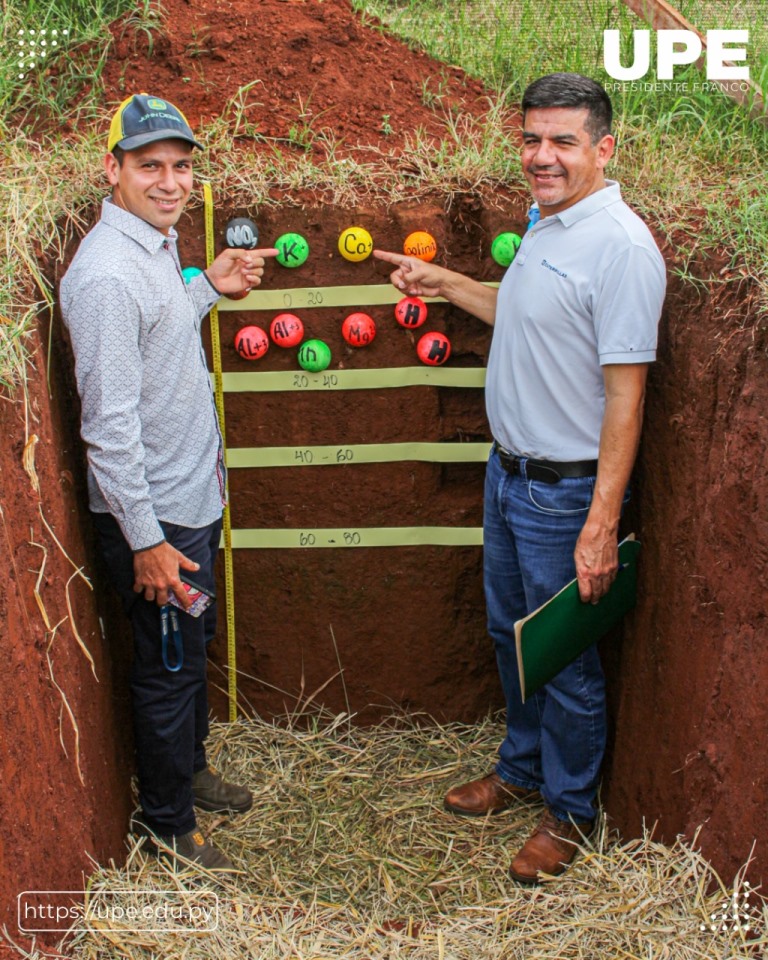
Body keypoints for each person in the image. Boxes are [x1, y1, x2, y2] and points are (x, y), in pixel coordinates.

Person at [375, 73, 666, 884]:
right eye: (532, 139)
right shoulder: (549, 220)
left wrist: (600, 523)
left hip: (564, 495)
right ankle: (524, 769)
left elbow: (625, 396)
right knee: (516, 641)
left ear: (604, 149)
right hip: (509, 480)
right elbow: (527, 312)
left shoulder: (622, 250)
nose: (543, 156)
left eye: (563, 142)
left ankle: (569, 813)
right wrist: (449, 287)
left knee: (565, 661)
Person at [61, 93, 278, 875]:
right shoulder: (108, 277)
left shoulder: (152, 249)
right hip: (157, 524)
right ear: (112, 170)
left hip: (190, 500)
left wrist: (206, 289)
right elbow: (109, 430)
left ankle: (190, 770)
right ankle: (167, 824)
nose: (170, 181)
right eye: (149, 165)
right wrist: (146, 542)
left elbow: (157, 341)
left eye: (181, 166)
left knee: (188, 650)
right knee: (167, 667)